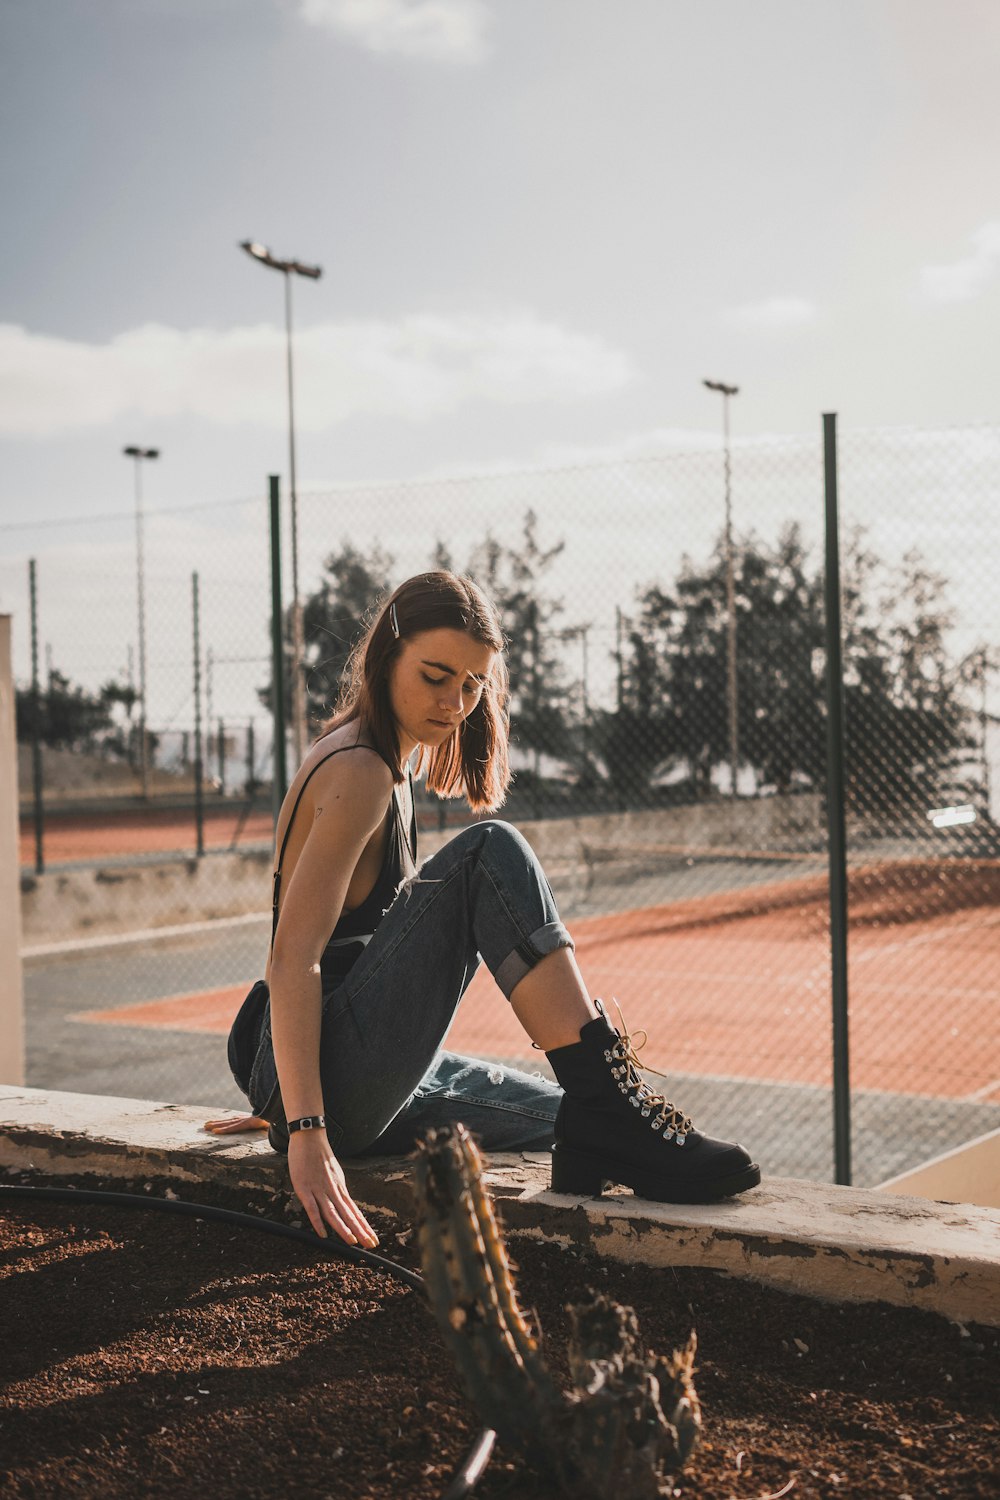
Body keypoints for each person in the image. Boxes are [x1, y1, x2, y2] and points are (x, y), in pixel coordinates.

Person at [208, 571, 759, 1248]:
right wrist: (305, 1129)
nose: (455, 702)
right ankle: (612, 1106)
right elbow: (293, 956)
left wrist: (283, 1098)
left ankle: (605, 1116)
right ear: (387, 654)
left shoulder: (380, 758)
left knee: (566, 1115)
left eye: (472, 685)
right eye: (437, 676)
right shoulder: (360, 770)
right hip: (334, 1076)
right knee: (486, 855)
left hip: (328, 1066)